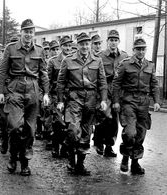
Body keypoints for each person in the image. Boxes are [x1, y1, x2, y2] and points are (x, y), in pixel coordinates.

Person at [0, 19, 50, 176]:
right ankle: (13, 157)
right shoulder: (10, 48)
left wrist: (45, 93)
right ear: (21, 32)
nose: (28, 35)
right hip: (15, 90)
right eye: (26, 31)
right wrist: (0, 92)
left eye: (31, 32)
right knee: (14, 127)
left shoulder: (39, 50)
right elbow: (2, 71)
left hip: (33, 90)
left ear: (34, 34)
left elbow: (44, 73)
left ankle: (25, 162)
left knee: (30, 129)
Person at [57, 32, 107, 175]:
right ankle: (71, 158)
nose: (85, 47)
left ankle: (80, 164)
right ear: (77, 45)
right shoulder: (68, 60)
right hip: (74, 98)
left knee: (86, 132)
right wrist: (60, 101)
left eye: (87, 44)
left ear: (89, 44)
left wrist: (103, 100)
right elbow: (61, 83)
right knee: (73, 130)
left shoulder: (97, 61)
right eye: (82, 44)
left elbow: (103, 82)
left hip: (91, 99)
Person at [112, 38, 160, 174]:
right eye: (138, 49)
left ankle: (135, 163)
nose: (141, 51)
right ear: (133, 50)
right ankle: (125, 157)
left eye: (143, 49)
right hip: (128, 101)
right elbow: (116, 84)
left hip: (144, 103)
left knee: (140, 134)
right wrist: (116, 101)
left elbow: (154, 84)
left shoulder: (150, 65)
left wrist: (156, 101)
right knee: (130, 132)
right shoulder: (125, 64)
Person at [93, 30, 128, 157]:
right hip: (105, 88)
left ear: (118, 41)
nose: (113, 43)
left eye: (115, 40)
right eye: (111, 40)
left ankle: (109, 146)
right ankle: (99, 142)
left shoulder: (124, 56)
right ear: (107, 42)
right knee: (104, 115)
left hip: (118, 90)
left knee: (114, 119)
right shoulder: (100, 56)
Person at [47, 35, 73, 158]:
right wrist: (47, 94)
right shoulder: (52, 61)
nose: (68, 48)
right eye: (65, 45)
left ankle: (65, 147)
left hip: (71, 95)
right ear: (61, 46)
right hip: (56, 95)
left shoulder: (74, 60)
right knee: (58, 121)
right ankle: (55, 145)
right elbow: (47, 79)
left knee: (69, 123)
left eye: (69, 45)